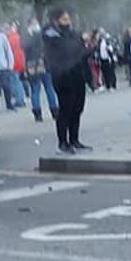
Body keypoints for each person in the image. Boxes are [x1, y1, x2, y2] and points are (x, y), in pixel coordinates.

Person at [44, 8, 94, 154]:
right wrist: (82, 47)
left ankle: (74, 140)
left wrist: (90, 47)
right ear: (56, 21)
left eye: (68, 19)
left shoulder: (73, 34)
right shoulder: (51, 36)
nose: (68, 22)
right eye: (64, 20)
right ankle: (63, 142)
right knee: (66, 110)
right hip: (63, 77)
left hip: (77, 75)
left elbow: (80, 53)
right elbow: (68, 52)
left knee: (77, 109)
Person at [22, 18, 58, 123]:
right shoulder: (42, 34)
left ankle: (38, 113)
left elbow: (23, 47)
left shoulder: (27, 35)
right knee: (48, 87)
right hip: (43, 63)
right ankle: (54, 111)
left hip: (32, 64)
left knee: (36, 89)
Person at [5, 22, 28, 106]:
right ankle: (21, 98)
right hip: (21, 61)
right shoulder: (18, 37)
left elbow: (8, 52)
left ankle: (19, 100)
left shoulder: (9, 39)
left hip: (13, 62)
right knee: (19, 81)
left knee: (15, 82)